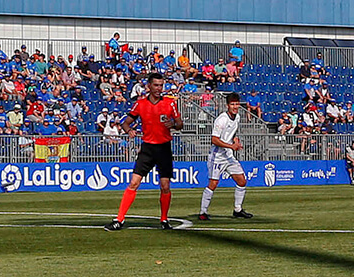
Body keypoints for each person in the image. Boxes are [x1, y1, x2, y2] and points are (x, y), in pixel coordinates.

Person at [106, 74, 182, 230]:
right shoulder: (140, 104)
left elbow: (180, 124)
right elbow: (126, 122)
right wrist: (129, 131)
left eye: (161, 85)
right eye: (156, 85)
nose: (159, 89)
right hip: (147, 148)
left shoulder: (170, 103)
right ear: (149, 86)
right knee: (134, 182)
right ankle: (119, 220)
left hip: (164, 148)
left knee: (165, 185)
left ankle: (164, 220)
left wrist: (173, 124)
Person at [195, 93, 253, 221]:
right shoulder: (221, 119)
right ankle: (202, 212)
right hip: (217, 156)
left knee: (242, 181)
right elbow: (214, 140)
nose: (235, 106)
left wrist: (236, 141)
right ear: (227, 105)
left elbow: (233, 133)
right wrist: (231, 146)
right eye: (232, 104)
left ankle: (238, 209)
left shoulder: (237, 117)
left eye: (236, 104)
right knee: (213, 183)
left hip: (228, 155)